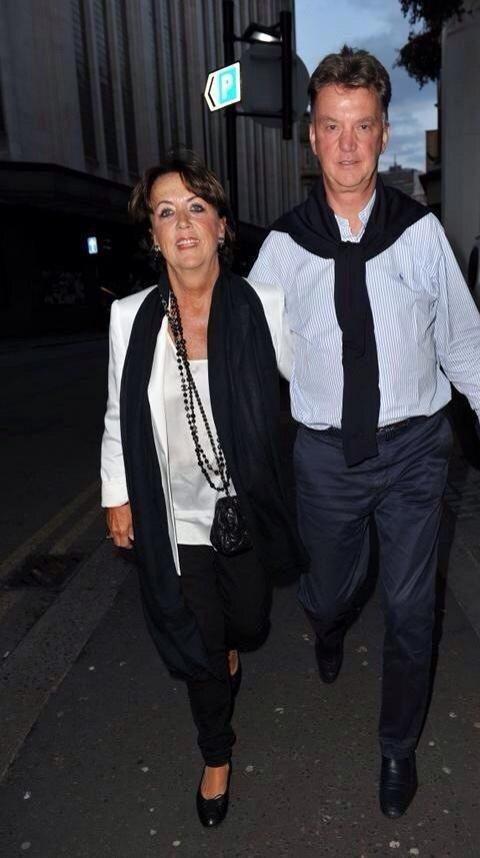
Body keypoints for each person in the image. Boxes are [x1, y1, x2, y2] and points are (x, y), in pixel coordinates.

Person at [249, 46, 480, 818]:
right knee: (328, 590)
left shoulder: (418, 233)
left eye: (362, 126)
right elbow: (248, 353)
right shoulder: (283, 247)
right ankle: (327, 627)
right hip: (325, 456)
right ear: (312, 134)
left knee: (408, 608)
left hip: (413, 450)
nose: (348, 143)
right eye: (332, 126)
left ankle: (397, 749)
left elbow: (460, 334)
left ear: (384, 131)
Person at [101, 151, 305, 828]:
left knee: (247, 624)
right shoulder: (129, 317)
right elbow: (116, 415)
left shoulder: (265, 306)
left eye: (195, 207)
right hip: (173, 516)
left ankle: (228, 646)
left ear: (221, 224)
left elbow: (313, 387)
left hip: (242, 510)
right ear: (153, 233)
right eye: (165, 211)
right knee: (198, 644)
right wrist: (116, 493)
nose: (181, 222)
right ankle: (216, 753)